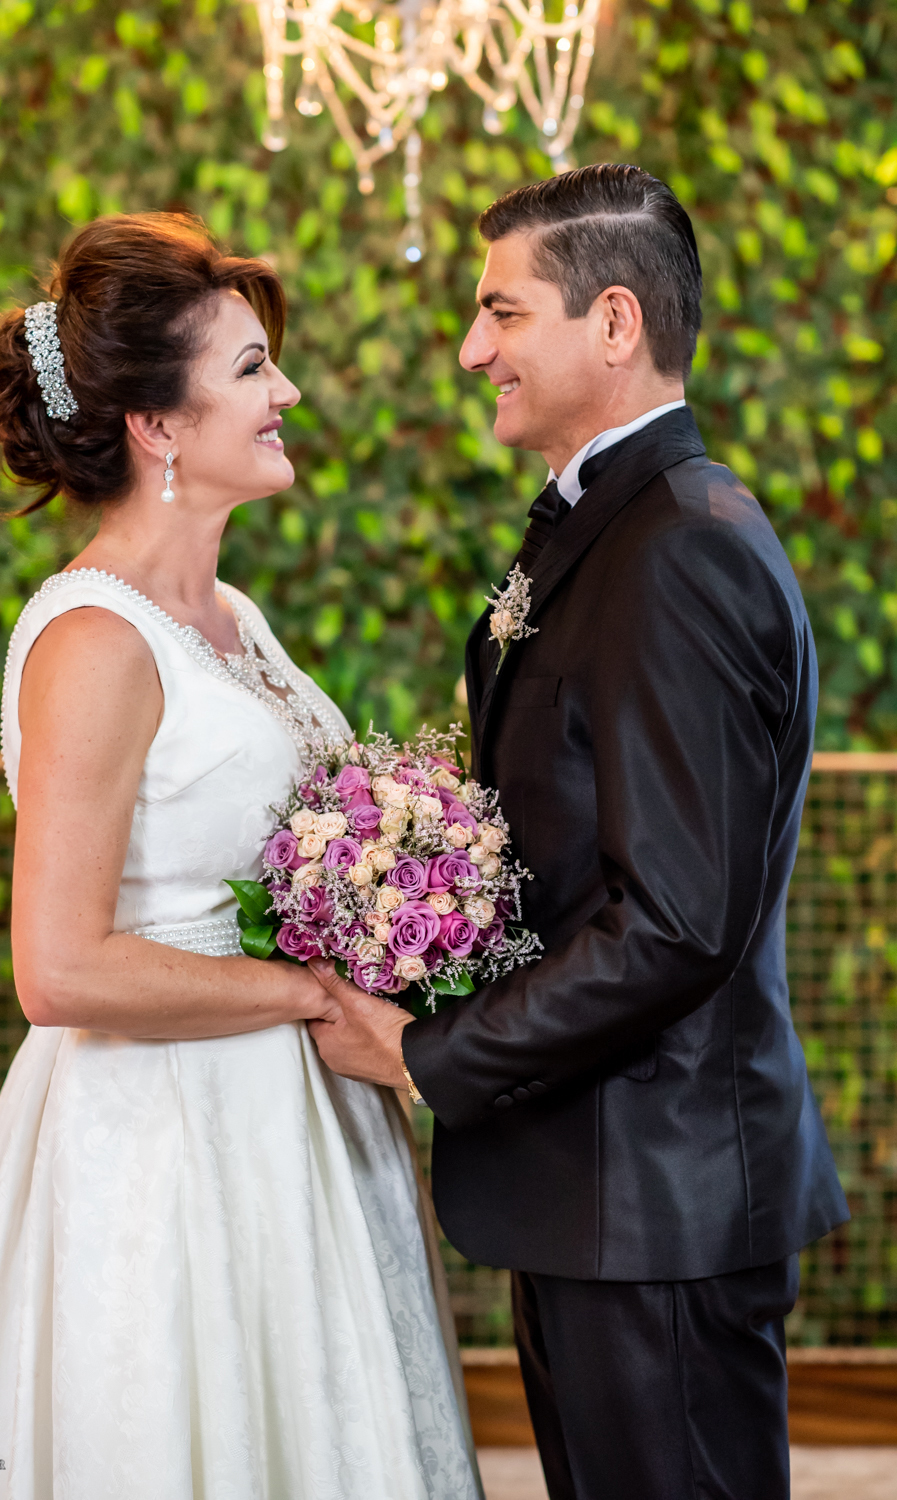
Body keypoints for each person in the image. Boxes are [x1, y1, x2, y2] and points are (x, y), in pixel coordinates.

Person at [0, 212, 481, 1500]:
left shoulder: (233, 617)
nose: (287, 395)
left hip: (300, 1133)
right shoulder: (94, 643)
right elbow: (57, 969)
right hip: (160, 1145)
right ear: (156, 427)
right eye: (252, 370)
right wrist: (315, 993)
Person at [309, 164, 850, 1500]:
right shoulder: (601, 528)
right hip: (597, 1189)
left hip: (653, 1198)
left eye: (499, 312)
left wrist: (431, 1049)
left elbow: (674, 923)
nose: (468, 347)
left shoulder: (680, 550)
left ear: (612, 324)